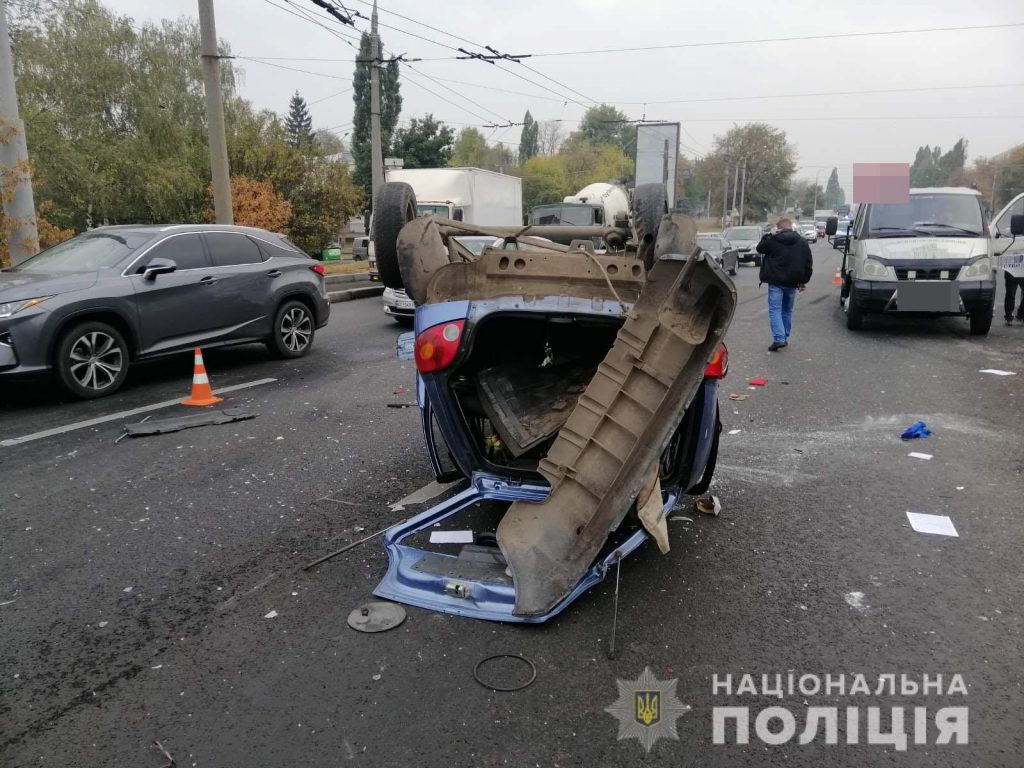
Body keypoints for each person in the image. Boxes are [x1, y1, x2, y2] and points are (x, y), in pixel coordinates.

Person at [756, 217, 814, 351]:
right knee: (787, 310)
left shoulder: (773, 240)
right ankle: (784, 337)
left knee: (775, 309)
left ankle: (779, 338)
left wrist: (769, 234)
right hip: (793, 283)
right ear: (791, 227)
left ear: (778, 228)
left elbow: (760, 248)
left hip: (776, 282)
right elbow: (808, 264)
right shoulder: (802, 242)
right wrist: (803, 281)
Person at [1001, 250, 1024, 325]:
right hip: (1011, 267)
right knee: (1010, 294)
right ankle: (1010, 316)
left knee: (1010, 294)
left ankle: (1019, 315)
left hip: (1018, 268)